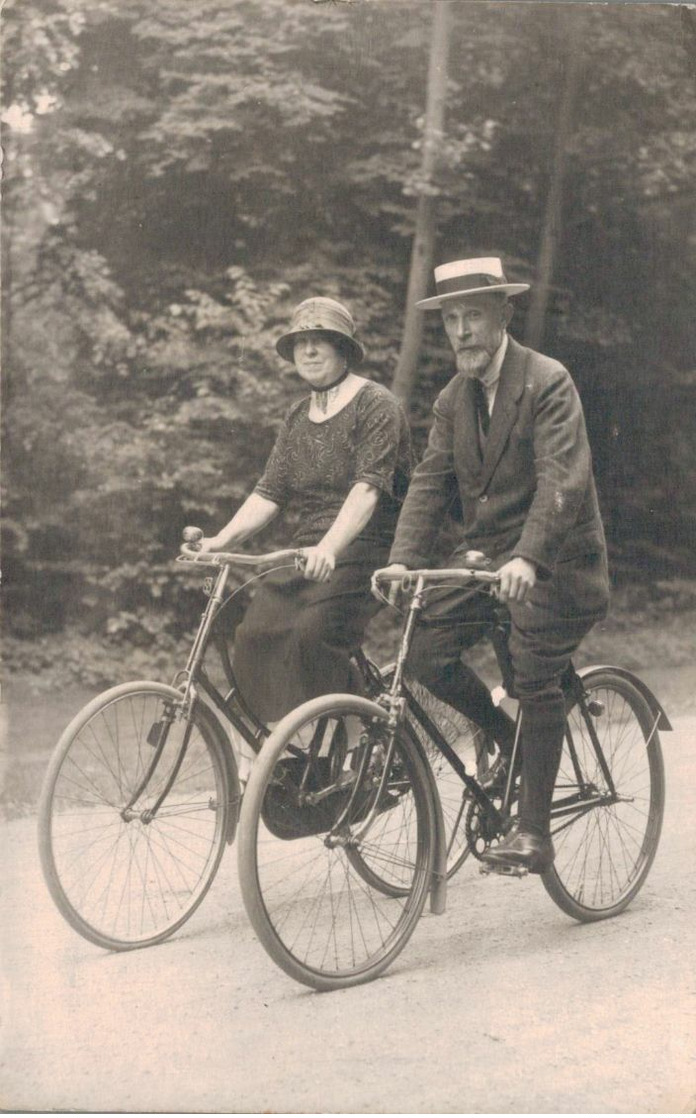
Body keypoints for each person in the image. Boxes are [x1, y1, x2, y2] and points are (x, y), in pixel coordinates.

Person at [376, 257, 609, 874]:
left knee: (533, 677)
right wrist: (402, 561)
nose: (461, 331)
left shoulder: (548, 380)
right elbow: (430, 483)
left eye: (473, 316)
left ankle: (534, 833)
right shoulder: (454, 397)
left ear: (504, 314)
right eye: (451, 319)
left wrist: (530, 556)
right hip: (486, 562)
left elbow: (563, 479)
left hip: (557, 561)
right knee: (423, 652)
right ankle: (505, 738)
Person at [200, 296, 412, 723]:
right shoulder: (298, 415)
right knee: (254, 633)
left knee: (314, 634)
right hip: (309, 551)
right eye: (301, 343)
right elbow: (271, 491)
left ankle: (354, 748)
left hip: (369, 549)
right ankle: (274, 757)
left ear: (344, 349)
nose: (310, 351)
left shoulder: (376, 404)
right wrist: (219, 540)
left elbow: (367, 490)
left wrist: (330, 548)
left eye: (321, 341)